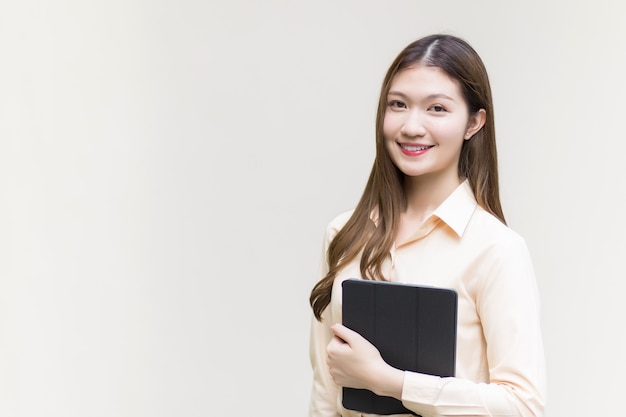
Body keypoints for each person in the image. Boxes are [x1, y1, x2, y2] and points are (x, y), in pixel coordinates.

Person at [308, 33, 546, 417]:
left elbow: (523, 405)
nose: (411, 126)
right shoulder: (344, 234)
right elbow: (325, 390)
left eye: (437, 109)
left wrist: (392, 382)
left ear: (474, 122)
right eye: (398, 105)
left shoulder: (496, 249)